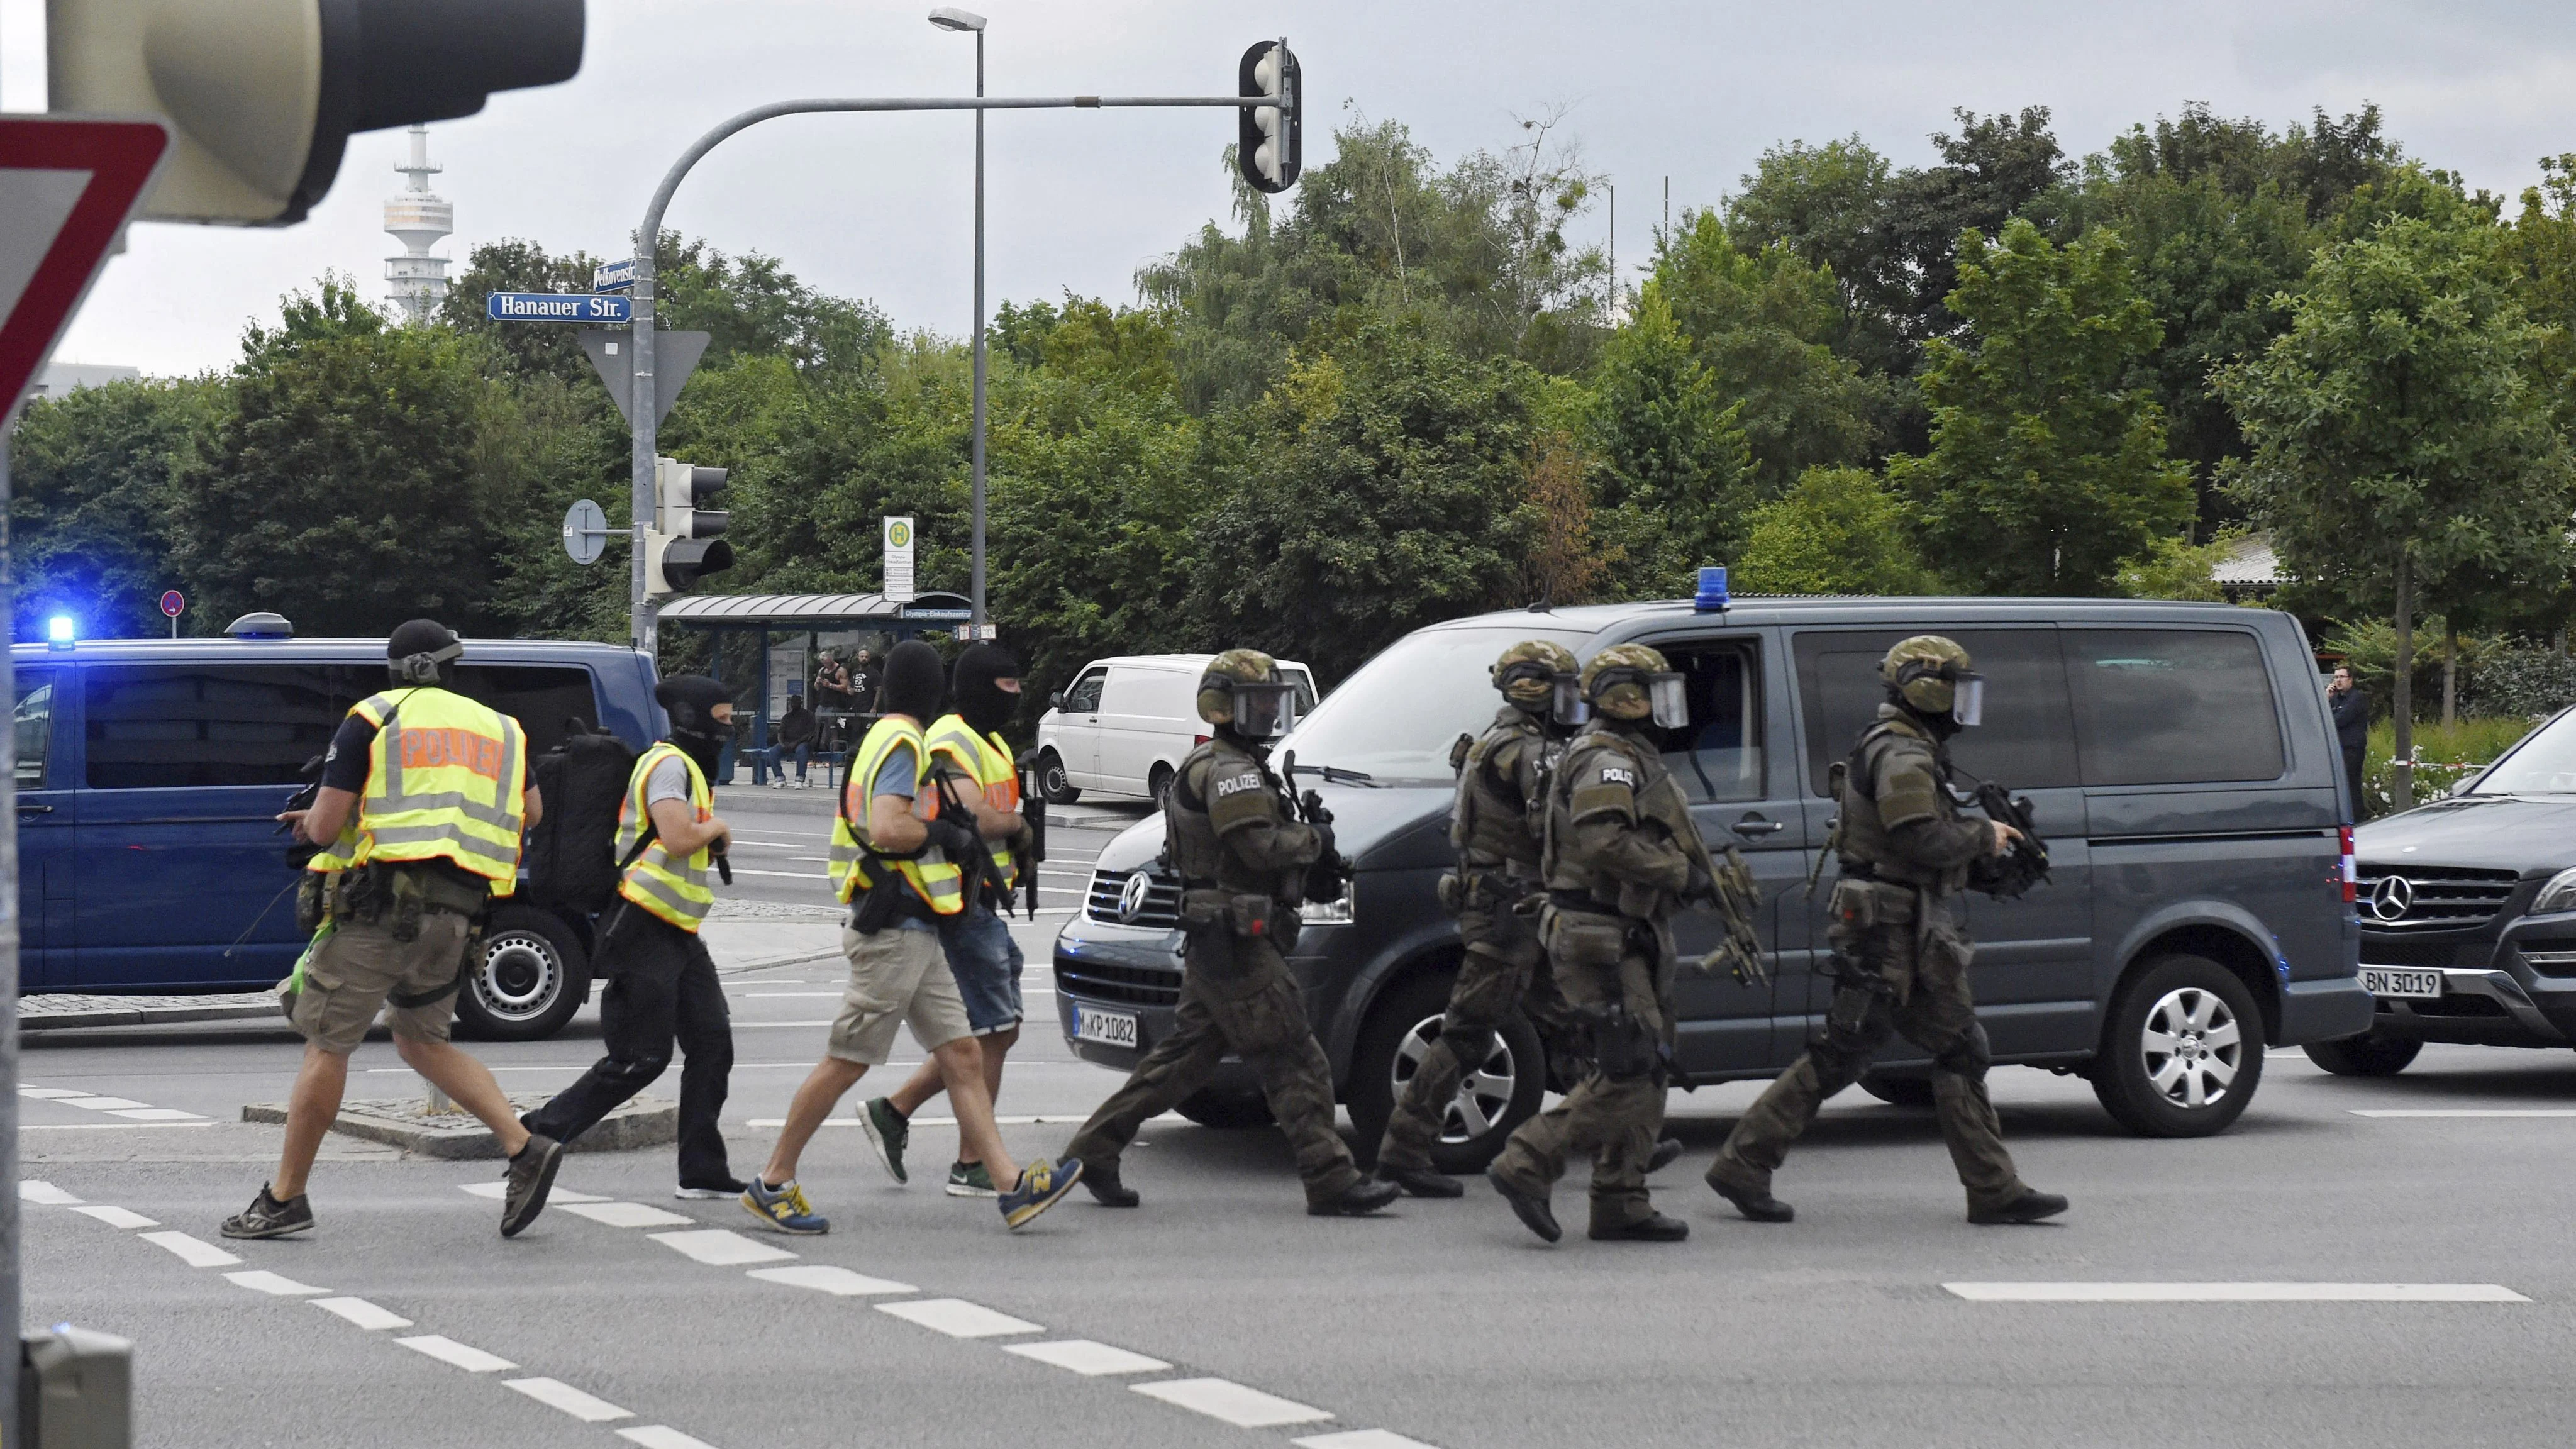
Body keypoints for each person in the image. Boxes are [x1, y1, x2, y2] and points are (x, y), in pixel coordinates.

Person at [1705, 635, 2068, 1227]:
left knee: (1958, 1046)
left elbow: (1917, 847)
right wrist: (1985, 837)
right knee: (1846, 1048)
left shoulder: (1912, 747)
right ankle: (1743, 1162)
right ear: (1928, 691)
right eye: (1955, 692)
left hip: (1909, 924)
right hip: (1883, 927)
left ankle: (1994, 1188)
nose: (1961, 708)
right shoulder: (1902, 752)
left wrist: (1985, 864)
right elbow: (1917, 837)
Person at [225, 621, 558, 1240]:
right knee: (423, 1042)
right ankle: (523, 1145)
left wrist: (324, 815)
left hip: (381, 914)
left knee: (327, 1045)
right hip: (457, 918)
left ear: (404, 669)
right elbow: (530, 812)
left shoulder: (373, 717)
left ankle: (285, 1198)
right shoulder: (501, 729)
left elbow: (324, 830)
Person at [743, 640, 1080, 1233]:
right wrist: (944, 834)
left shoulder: (886, 737)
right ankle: (773, 1180)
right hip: (894, 926)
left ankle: (1010, 1187)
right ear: (930, 691)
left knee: (964, 1054)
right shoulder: (902, 742)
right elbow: (888, 826)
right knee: (847, 1060)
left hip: (916, 923)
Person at [1061, 650, 1400, 1218]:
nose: (1269, 712)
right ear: (1224, 707)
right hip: (1236, 942)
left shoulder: (1238, 764)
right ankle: (1331, 1177)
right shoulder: (1229, 771)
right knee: (1296, 1056)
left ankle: (1092, 1151)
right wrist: (1313, 841)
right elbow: (1257, 848)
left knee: (1180, 1065)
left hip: (1222, 937)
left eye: (1273, 701)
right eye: (1258, 702)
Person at [1487, 645, 1759, 1244]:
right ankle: (1527, 1161)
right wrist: (1675, 872)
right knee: (1629, 1065)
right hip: (1598, 933)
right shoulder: (1606, 760)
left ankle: (1621, 1198)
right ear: (1625, 697)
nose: (1669, 708)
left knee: (1650, 1061)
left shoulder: (1629, 756)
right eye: (1657, 694)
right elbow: (1604, 842)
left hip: (1628, 932)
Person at [1374, 640, 1585, 1198]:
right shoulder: (1531, 751)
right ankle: (1403, 1151)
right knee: (1467, 1034)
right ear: (1533, 689)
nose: (1573, 701)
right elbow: (1556, 829)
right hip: (1510, 911)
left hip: (1508, 904)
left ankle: (1619, 1131)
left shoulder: (1490, 740)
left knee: (1570, 1016)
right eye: (1563, 689)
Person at [521, 677, 742, 1199]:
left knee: (713, 1045)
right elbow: (676, 835)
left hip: (678, 930)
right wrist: (714, 830)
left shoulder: (686, 768)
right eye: (724, 719)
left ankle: (702, 1169)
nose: (730, 729)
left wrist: (705, 838)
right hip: (643, 925)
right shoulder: (669, 765)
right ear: (696, 719)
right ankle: (541, 1131)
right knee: (640, 1059)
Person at [860, 643, 1038, 1197]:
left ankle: (895, 1111)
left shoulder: (987, 740)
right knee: (986, 1032)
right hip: (962, 904)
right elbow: (971, 815)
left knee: (991, 1032)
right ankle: (972, 1163)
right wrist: (1018, 825)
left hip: (981, 901)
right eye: (1005, 687)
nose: (1014, 697)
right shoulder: (950, 739)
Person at [2330, 665, 2369, 818]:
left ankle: (2358, 818)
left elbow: (2338, 720)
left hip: (2352, 749)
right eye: (2336, 677)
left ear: (2350, 680)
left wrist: (2329, 718)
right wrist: (2326, 699)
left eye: (2341, 677)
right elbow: (2321, 717)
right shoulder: (2334, 699)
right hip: (2337, 748)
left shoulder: (2356, 698)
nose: (2338, 681)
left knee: (2351, 786)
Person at [775, 693, 818, 790]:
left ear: (801, 703)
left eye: (796, 702)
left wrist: (795, 743)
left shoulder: (808, 715)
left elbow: (809, 734)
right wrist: (782, 744)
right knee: (773, 752)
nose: (793, 704)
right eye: (792, 702)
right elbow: (780, 732)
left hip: (802, 743)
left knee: (801, 751)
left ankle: (799, 779)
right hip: (787, 743)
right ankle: (779, 778)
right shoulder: (787, 717)